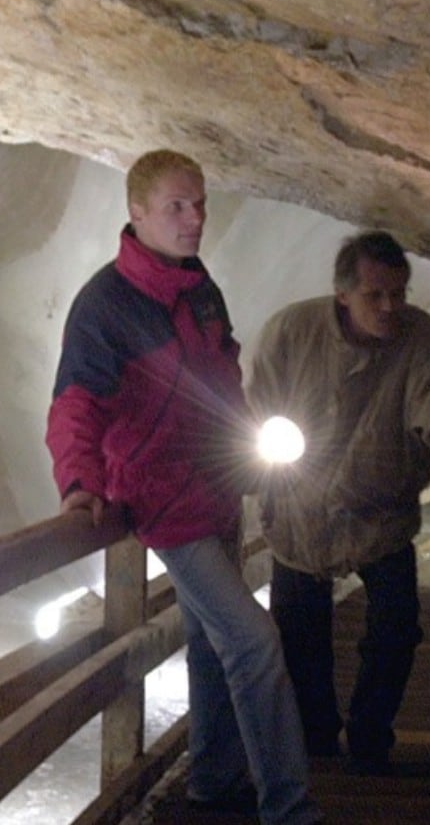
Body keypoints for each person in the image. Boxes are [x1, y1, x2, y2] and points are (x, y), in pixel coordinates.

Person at [48, 149, 320, 825]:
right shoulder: (105, 305)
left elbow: (223, 377)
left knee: (210, 641)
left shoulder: (197, 286)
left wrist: (249, 449)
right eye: (177, 206)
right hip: (163, 501)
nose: (194, 217)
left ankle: (210, 782)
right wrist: (79, 481)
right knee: (253, 642)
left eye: (199, 203)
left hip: (215, 486)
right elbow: (76, 403)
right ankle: (290, 811)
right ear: (136, 213)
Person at [249, 230, 430, 774]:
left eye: (399, 293)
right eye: (376, 295)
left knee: (397, 629)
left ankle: (371, 736)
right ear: (342, 293)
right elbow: (254, 415)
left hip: (381, 517)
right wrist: (259, 477)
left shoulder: (421, 346)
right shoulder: (293, 334)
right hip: (302, 515)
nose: (390, 306)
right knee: (300, 641)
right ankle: (317, 746)